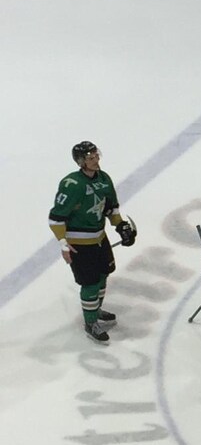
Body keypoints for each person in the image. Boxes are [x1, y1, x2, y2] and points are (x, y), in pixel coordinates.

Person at [49, 142, 137, 344]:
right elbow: (56, 218)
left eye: (96, 156)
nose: (96, 161)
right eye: (90, 158)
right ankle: (90, 322)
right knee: (90, 282)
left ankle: (95, 310)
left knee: (104, 274)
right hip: (79, 244)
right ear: (81, 162)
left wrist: (121, 226)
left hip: (99, 238)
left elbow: (111, 209)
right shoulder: (72, 185)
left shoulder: (104, 179)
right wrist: (63, 242)